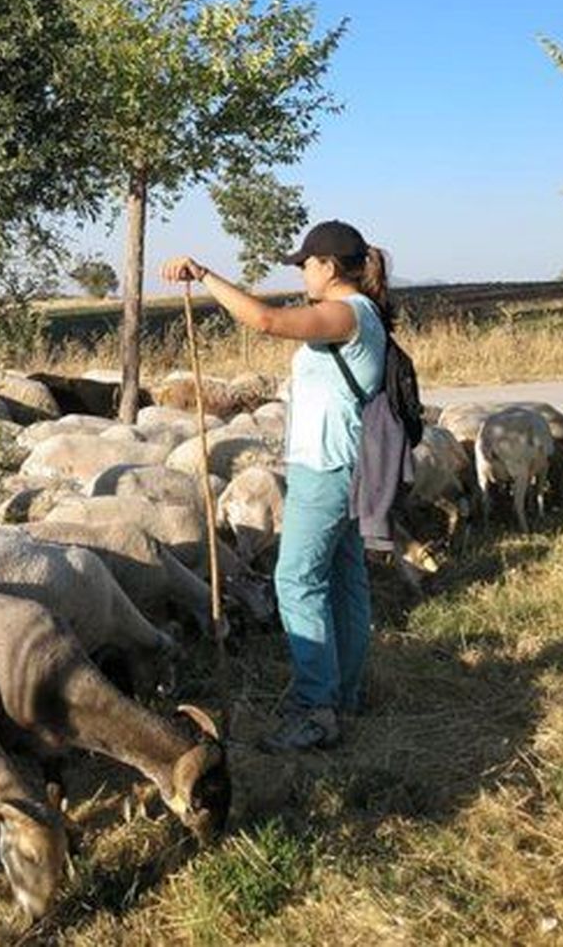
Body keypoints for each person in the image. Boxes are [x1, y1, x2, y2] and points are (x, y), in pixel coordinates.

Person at [160, 219, 389, 751]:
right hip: (347, 463)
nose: (302, 272)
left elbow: (265, 320)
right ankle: (345, 693)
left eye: (306, 263)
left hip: (327, 467)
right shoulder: (362, 314)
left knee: (296, 581)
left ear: (329, 267)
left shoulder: (345, 312)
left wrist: (204, 274)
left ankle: (316, 708)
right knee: (343, 578)